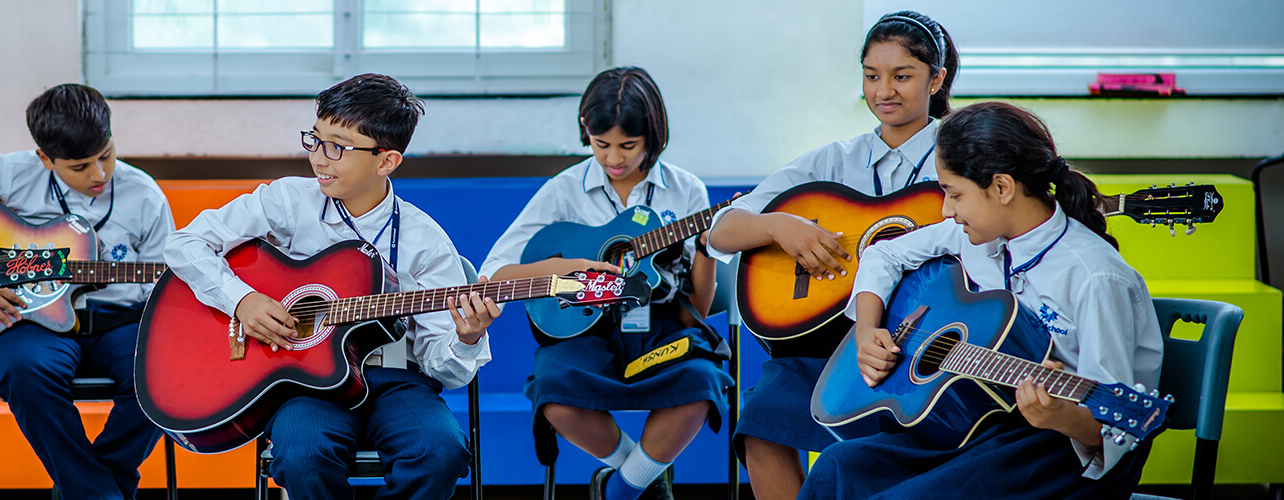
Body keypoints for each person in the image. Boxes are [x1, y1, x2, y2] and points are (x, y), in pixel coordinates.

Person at [801, 101, 1162, 499]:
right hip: (978, 421)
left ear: (1002, 188)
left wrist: (1058, 415)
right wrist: (867, 331)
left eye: (954, 194)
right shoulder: (975, 235)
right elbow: (884, 254)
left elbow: (1112, 430)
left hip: (1060, 450)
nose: (946, 210)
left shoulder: (1094, 277)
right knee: (835, 469)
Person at [161, 73, 498, 499]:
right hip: (303, 382)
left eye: (338, 147)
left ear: (386, 161)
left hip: (396, 380)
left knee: (440, 452)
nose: (319, 158)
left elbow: (441, 369)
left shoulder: (426, 243)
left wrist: (467, 338)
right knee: (302, 454)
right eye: (315, 139)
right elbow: (186, 243)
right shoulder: (287, 202)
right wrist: (241, 299)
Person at [701, 11, 958, 499]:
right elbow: (723, 230)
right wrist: (778, 224)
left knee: (887, 449)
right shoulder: (833, 160)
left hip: (928, 345)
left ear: (936, 78)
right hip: (829, 345)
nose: (884, 90)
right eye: (871, 76)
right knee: (760, 420)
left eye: (902, 76)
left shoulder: (963, 151)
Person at [0, 83, 176, 499]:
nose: (98, 174)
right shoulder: (10, 173)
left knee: (161, 373)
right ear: (44, 158)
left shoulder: (144, 194)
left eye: (106, 156)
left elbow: (161, 288)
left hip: (120, 323)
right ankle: (99, 492)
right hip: (31, 319)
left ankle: (90, 488)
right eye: (79, 166)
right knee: (24, 370)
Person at [478, 66, 729, 500]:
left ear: (654, 136)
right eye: (602, 145)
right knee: (553, 396)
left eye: (629, 146)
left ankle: (621, 490)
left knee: (701, 384)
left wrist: (706, 250)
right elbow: (496, 275)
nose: (614, 159)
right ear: (585, 132)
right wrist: (571, 268)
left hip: (661, 327)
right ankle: (646, 478)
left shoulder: (686, 191)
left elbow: (700, 309)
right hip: (585, 330)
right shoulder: (564, 190)